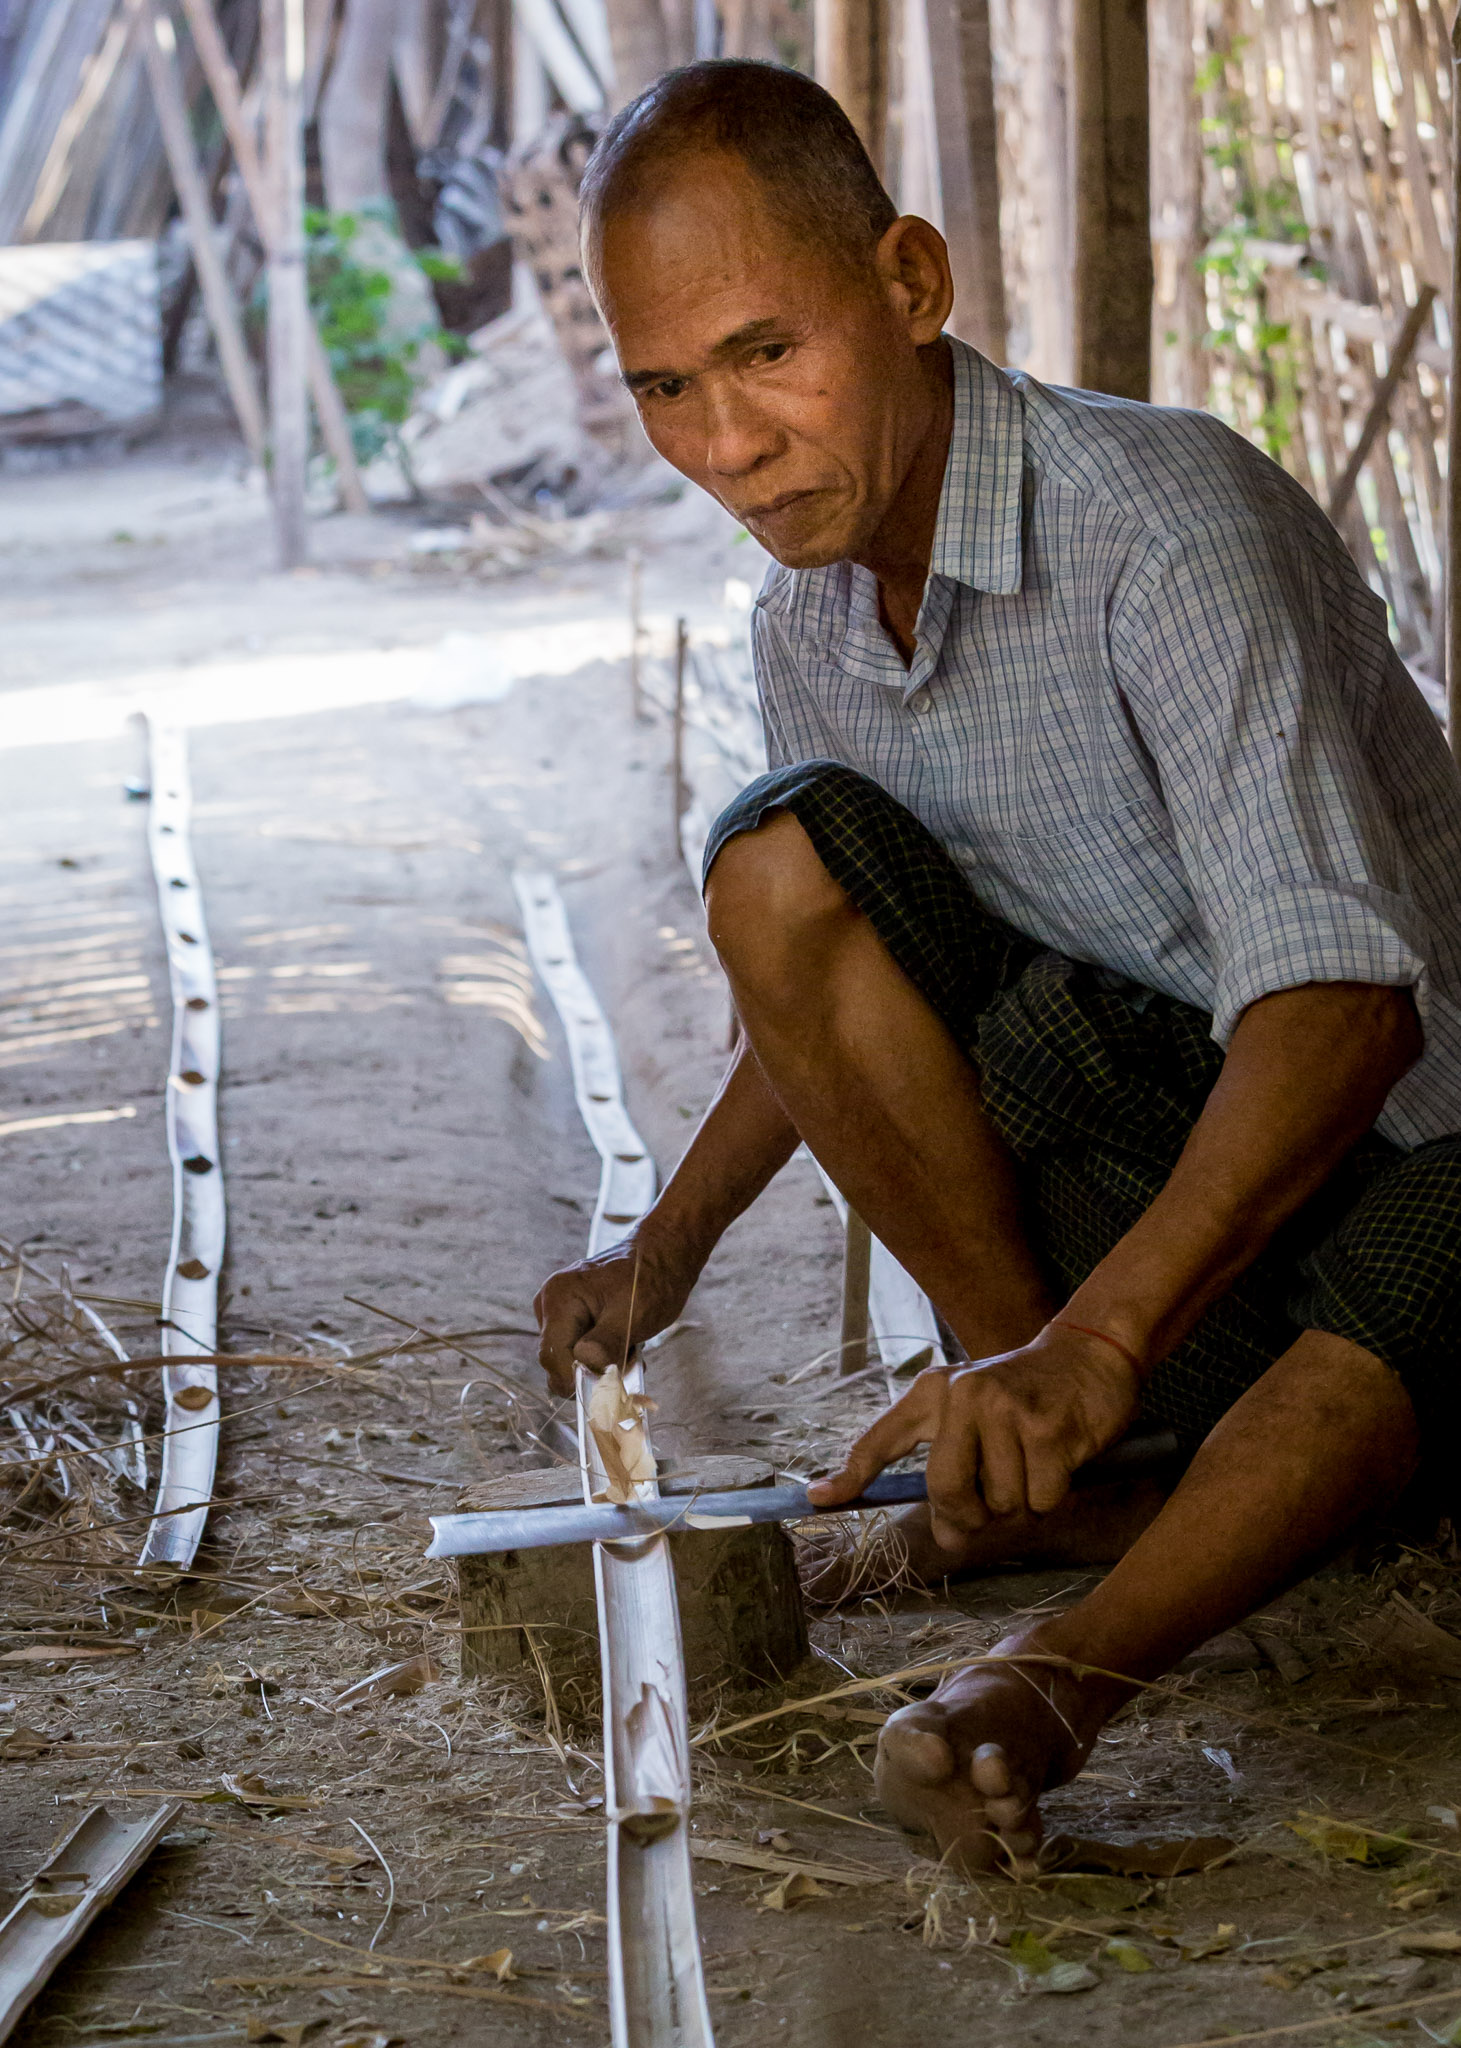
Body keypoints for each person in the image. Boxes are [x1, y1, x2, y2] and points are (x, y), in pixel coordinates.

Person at [533, 58, 1461, 1874]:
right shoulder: (807, 614)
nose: (725, 443)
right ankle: (1056, 1448)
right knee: (782, 855)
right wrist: (669, 1249)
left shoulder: (1161, 532)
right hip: (1169, 1183)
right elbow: (818, 987)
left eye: (765, 354)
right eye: (664, 386)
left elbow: (1341, 1013)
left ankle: (1046, 1682)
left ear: (908, 286)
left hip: (1404, 1165)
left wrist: (1095, 1331)